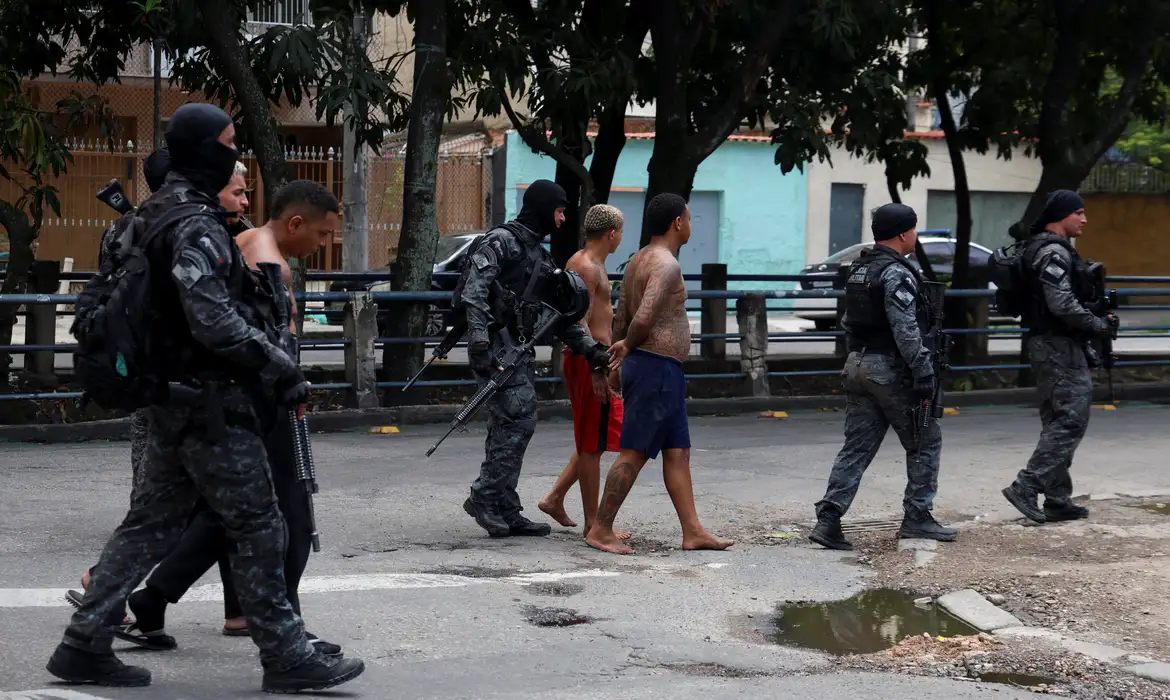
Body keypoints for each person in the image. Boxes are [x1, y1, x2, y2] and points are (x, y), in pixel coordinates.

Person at [46, 103, 364, 693]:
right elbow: (212, 319)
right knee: (260, 524)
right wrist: (281, 369)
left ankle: (83, 643)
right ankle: (286, 655)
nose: (235, 156)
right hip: (210, 401)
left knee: (148, 525)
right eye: (229, 143)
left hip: (168, 397)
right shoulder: (195, 223)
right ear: (203, 151)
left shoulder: (140, 219)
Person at [107, 179, 342, 657]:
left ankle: (154, 600)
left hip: (235, 401)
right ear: (296, 222)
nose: (322, 245)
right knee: (290, 517)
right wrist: (289, 381)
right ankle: (288, 629)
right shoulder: (269, 261)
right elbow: (258, 340)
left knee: (224, 514)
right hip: (259, 402)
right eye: (322, 234)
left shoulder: (249, 242)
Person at [460, 179, 612, 538]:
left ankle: (504, 505)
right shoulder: (501, 242)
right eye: (559, 211)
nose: (562, 219)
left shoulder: (539, 257)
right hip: (495, 348)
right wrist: (480, 345)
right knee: (519, 417)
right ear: (543, 208)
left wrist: (591, 349)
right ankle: (485, 496)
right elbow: (474, 293)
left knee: (509, 423)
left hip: (517, 349)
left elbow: (557, 316)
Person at [584, 193, 733, 556]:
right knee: (634, 451)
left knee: (678, 452)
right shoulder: (666, 264)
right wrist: (627, 348)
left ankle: (693, 531)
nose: (691, 225)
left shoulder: (637, 260)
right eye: (689, 218)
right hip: (655, 367)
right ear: (677, 222)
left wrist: (618, 356)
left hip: (659, 368)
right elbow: (643, 316)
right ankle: (601, 529)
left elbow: (622, 313)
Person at [808, 203, 957, 552]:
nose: (915, 236)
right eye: (914, 230)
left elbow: (848, 323)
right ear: (904, 233)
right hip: (890, 369)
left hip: (858, 364)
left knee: (856, 447)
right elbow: (905, 329)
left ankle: (828, 518)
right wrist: (923, 370)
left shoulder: (860, 269)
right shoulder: (896, 273)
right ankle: (917, 516)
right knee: (925, 440)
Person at [1001, 190, 1116, 524]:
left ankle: (1057, 498)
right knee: (1070, 421)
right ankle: (1026, 486)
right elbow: (1061, 303)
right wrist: (1097, 325)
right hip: (1056, 345)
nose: (1084, 219)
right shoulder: (1052, 251)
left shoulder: (1046, 247)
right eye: (1079, 213)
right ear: (1061, 215)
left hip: (1054, 344)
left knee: (1057, 420)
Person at [537, 204, 632, 540]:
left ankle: (554, 498)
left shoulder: (590, 263)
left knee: (595, 437)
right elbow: (578, 321)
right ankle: (593, 523)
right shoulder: (586, 267)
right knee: (592, 443)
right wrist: (595, 366)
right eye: (621, 232)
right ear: (612, 233)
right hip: (588, 361)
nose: (621, 238)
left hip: (595, 358)